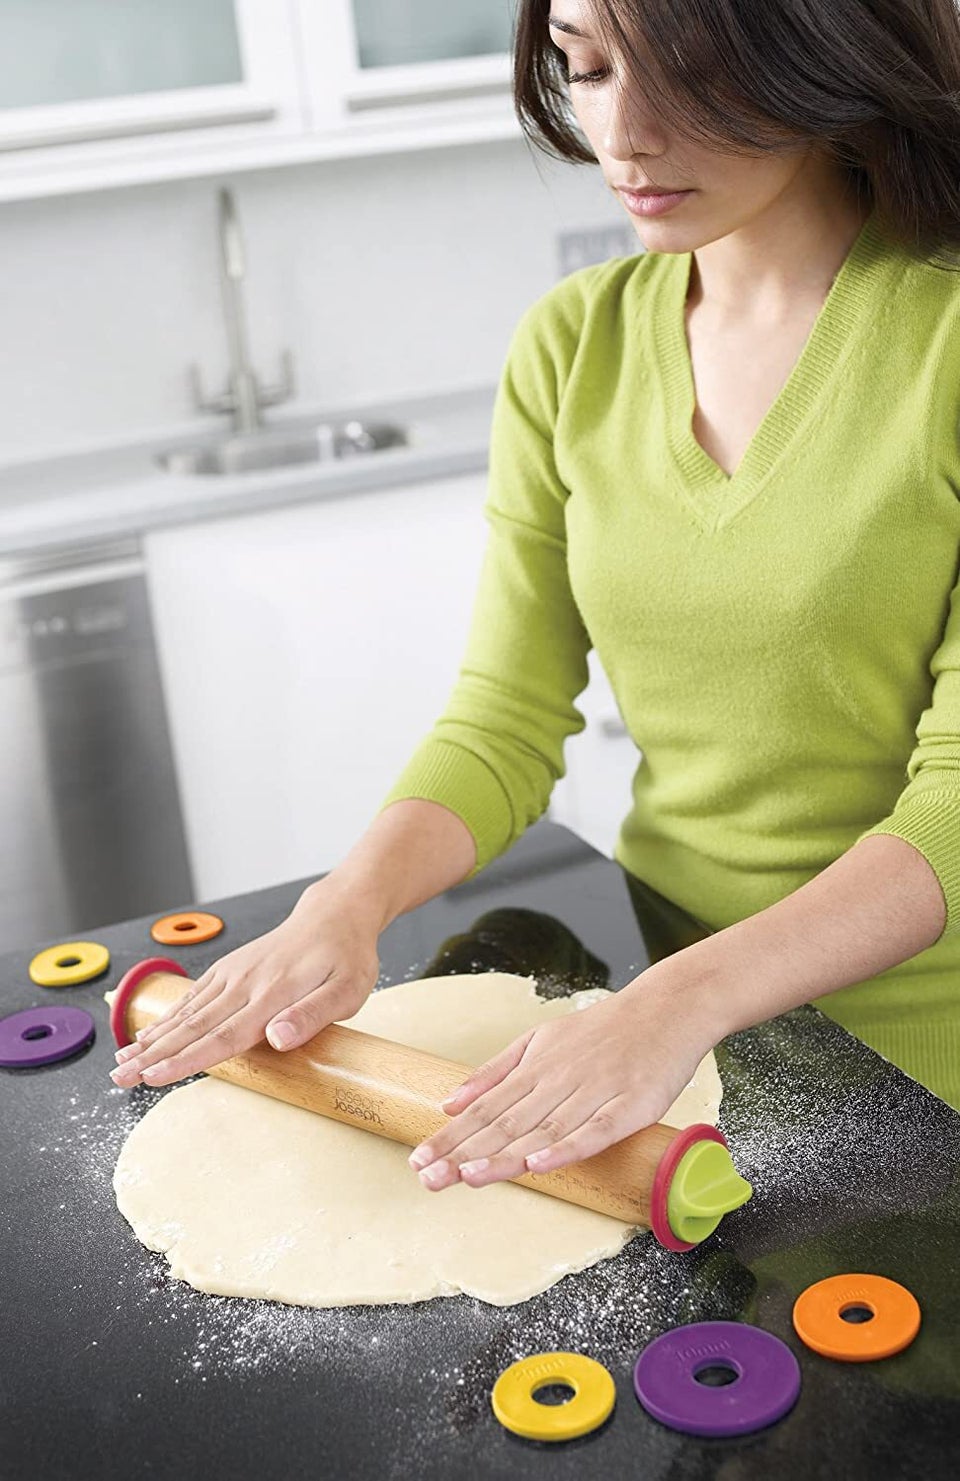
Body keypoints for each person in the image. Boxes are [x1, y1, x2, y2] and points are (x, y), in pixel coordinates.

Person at [112, 1, 960, 1193]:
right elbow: (506, 715)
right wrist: (344, 906)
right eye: (590, 68)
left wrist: (678, 1004)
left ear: (820, 53)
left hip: (918, 1066)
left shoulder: (944, 339)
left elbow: (955, 807)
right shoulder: (574, 345)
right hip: (663, 1026)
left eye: (689, 73)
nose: (624, 133)